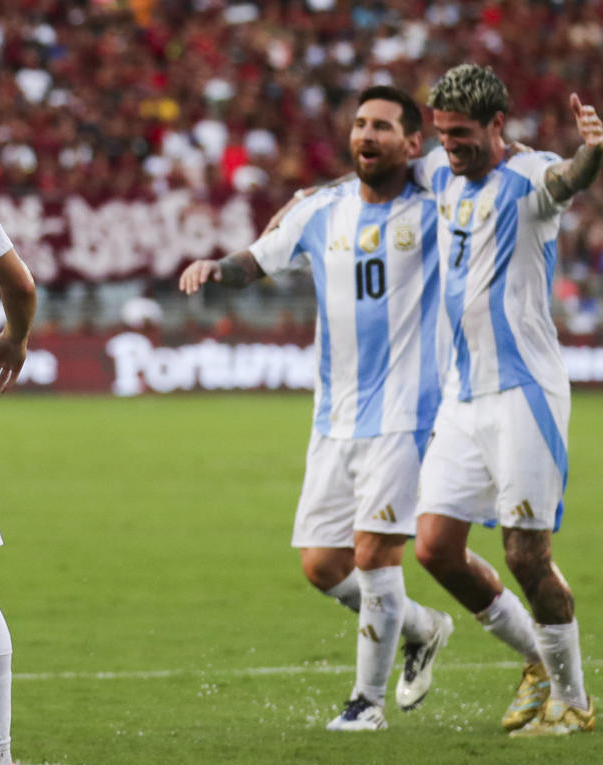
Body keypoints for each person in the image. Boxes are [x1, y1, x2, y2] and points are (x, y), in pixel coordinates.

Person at [178, 86, 456, 730]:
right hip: (335, 414)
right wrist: (217, 268)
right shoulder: (320, 209)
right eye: (359, 123)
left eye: (383, 126)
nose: (367, 134)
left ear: (412, 143)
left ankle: (368, 702)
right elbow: (259, 260)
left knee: (373, 555)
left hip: (408, 413)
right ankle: (424, 628)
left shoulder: (436, 202)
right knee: (322, 564)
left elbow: (457, 166)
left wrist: (422, 162)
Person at [413, 64, 603, 737]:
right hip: (463, 399)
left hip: (525, 391)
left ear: (498, 125)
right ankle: (535, 660)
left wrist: (593, 154)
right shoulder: (439, 174)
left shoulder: (531, 178)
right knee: (434, 547)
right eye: (441, 134)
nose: (449, 147)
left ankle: (574, 700)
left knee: (527, 553)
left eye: (461, 134)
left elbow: (569, 178)